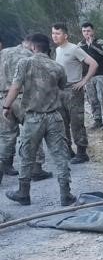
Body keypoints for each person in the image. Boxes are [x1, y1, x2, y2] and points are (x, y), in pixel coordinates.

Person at [3, 33, 75, 207]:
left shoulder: (25, 63)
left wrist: (6, 106)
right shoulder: (57, 67)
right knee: (60, 156)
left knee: (27, 156)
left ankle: (23, 193)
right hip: (54, 117)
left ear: (33, 47)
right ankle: (66, 194)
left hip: (33, 118)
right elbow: (62, 88)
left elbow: (16, 87)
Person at [0, 38, 52, 183]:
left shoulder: (3, 53)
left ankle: (4, 166)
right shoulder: (29, 55)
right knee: (34, 131)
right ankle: (36, 169)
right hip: (24, 97)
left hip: (3, 98)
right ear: (32, 45)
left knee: (5, 136)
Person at [51, 23, 98, 164]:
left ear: (65, 35)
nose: (54, 36)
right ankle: (68, 150)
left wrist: (84, 81)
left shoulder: (74, 48)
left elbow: (93, 64)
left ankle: (82, 152)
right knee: (62, 122)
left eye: (57, 33)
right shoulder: (58, 50)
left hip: (73, 90)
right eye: (53, 33)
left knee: (76, 122)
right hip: (60, 90)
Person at [79, 22, 103, 130]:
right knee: (92, 99)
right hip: (87, 76)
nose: (86, 33)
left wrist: (92, 44)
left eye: (88, 31)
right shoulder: (80, 45)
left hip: (101, 74)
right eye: (84, 31)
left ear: (93, 31)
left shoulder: (100, 41)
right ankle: (97, 120)